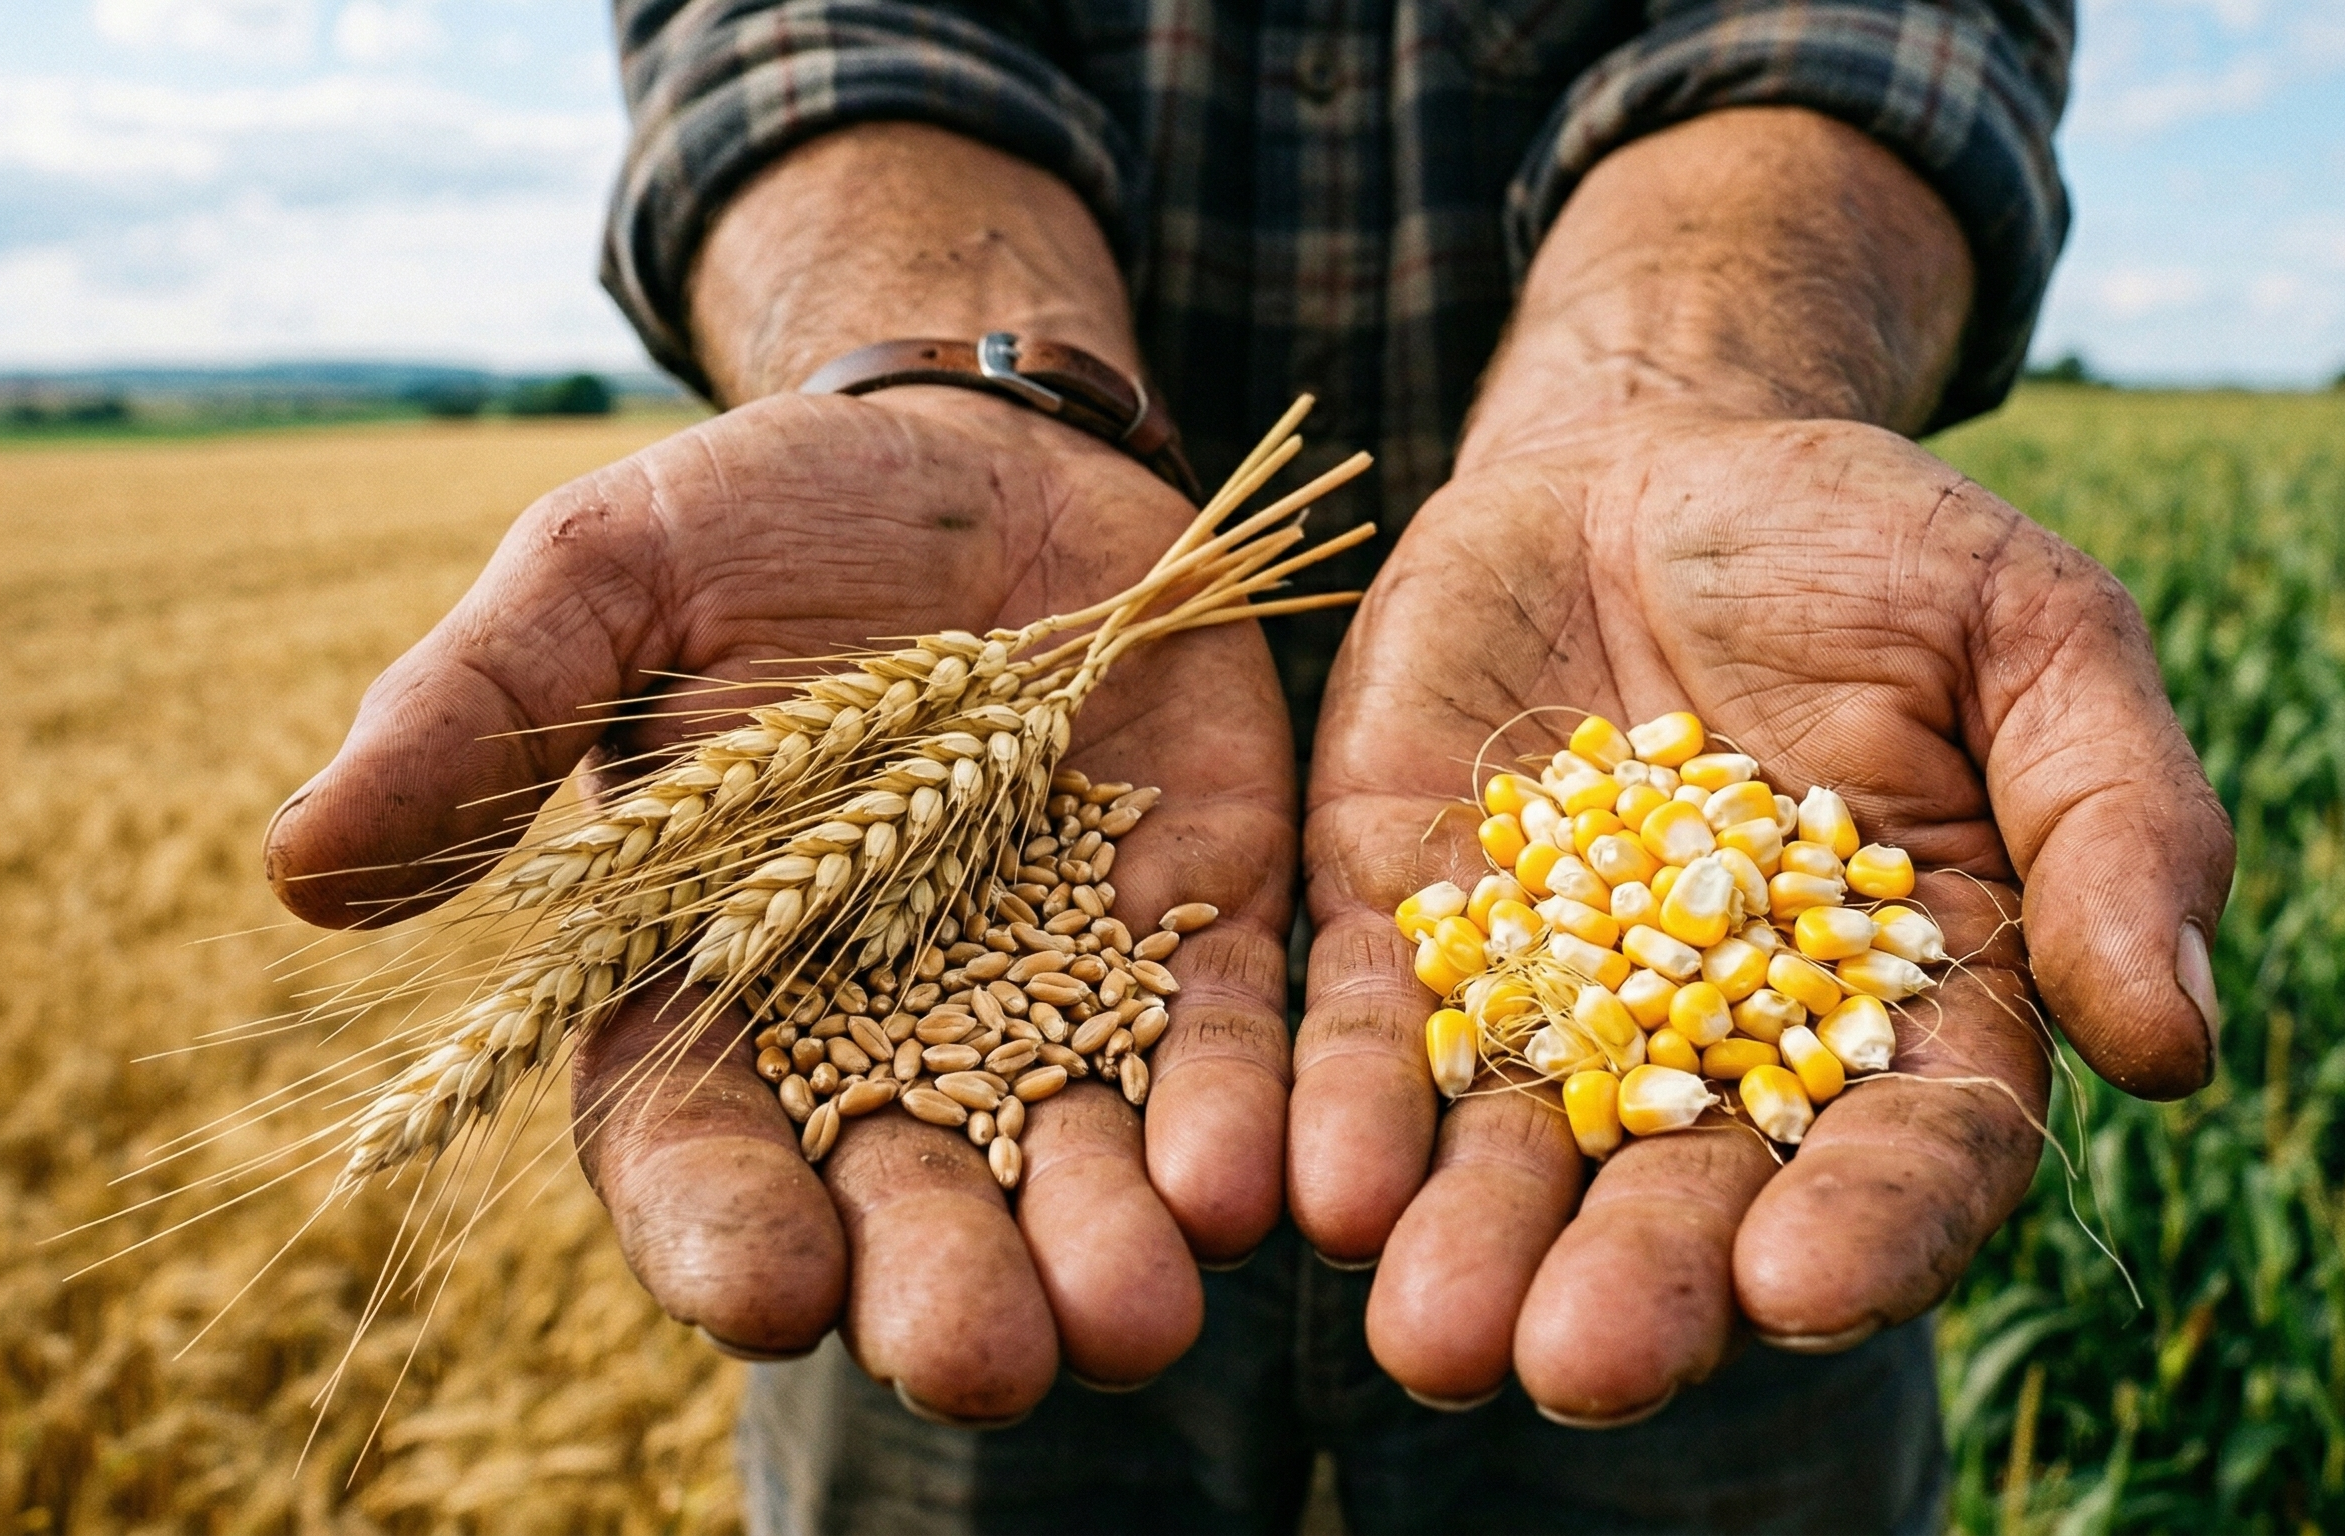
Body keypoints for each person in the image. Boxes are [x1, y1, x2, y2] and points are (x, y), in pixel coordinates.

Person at [265, 0, 2234, 1528]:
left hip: (1676, 1215)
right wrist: (950, 370)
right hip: (980, 1172)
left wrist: (1673, 393)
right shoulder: (1051, 1002)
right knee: (954, 1342)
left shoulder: (1671, 950)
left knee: (1682, 1333)